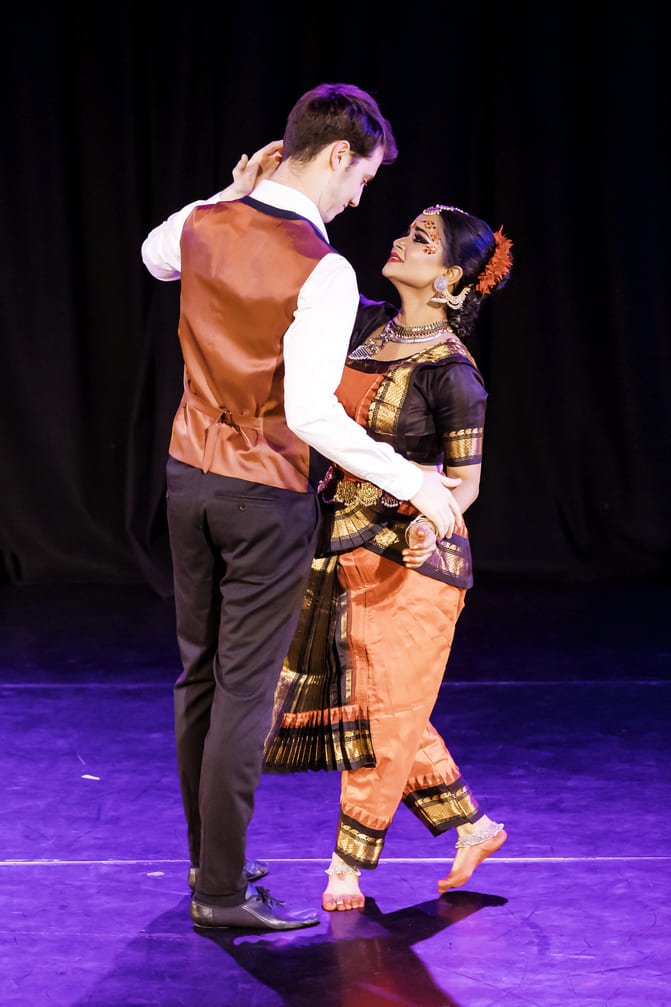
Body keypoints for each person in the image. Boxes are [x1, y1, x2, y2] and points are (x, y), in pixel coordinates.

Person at [140, 83, 463, 932]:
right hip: (262, 495)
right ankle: (220, 892)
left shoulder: (205, 221)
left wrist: (230, 191)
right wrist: (416, 482)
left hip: (186, 479)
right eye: (361, 177)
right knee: (244, 692)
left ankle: (210, 864)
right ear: (335, 156)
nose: (358, 197)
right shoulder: (322, 266)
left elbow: (152, 254)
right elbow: (312, 414)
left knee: (198, 676)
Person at [263, 202, 513, 911]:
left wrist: (431, 524)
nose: (402, 240)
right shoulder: (364, 323)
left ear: (450, 278)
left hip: (413, 559)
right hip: (338, 540)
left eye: (423, 240)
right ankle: (472, 826)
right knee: (383, 706)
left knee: (381, 713)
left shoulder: (452, 373)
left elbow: (463, 484)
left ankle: (347, 863)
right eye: (408, 230)